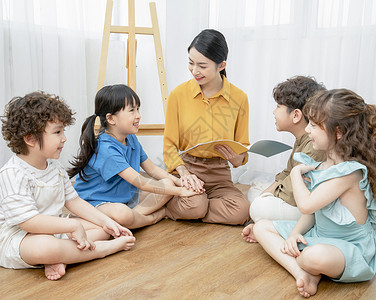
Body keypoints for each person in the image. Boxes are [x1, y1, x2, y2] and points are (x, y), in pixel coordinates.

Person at [248, 89, 376, 297]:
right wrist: (294, 234)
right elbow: (313, 213)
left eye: (314, 125)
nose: (307, 130)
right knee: (261, 226)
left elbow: (306, 205)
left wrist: (297, 173)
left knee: (314, 256)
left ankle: (307, 267)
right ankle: (302, 273)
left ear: (338, 132)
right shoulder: (323, 164)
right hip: (320, 235)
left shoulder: (349, 173)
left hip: (350, 248)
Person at [0, 92, 135, 281]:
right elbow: (28, 222)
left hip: (56, 226)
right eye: (57, 132)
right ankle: (101, 250)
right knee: (46, 247)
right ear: (30, 139)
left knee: (104, 228)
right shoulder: (13, 173)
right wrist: (71, 225)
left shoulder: (54, 167)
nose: (64, 138)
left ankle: (62, 257)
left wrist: (106, 222)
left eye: (63, 131)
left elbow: (74, 202)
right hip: (21, 236)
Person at [69, 84, 200, 229]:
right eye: (131, 110)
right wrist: (180, 191)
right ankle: (152, 218)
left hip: (125, 199)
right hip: (95, 204)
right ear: (111, 119)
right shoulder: (105, 148)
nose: (138, 115)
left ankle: (131, 219)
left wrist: (179, 182)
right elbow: (140, 182)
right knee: (122, 213)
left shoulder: (130, 138)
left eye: (138, 109)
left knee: (167, 183)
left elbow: (152, 170)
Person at [163, 29, 250, 225]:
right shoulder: (178, 95)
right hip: (187, 169)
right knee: (196, 204)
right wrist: (184, 173)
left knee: (242, 211)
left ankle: (194, 207)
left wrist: (238, 158)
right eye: (191, 63)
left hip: (219, 173)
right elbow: (169, 145)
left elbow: (242, 145)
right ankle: (183, 206)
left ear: (222, 65)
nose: (195, 71)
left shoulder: (239, 98)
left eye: (202, 65)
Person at [242, 76, 326, 241]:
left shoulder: (313, 145)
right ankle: (267, 222)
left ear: (296, 115)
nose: (274, 112)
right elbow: (286, 173)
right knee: (255, 194)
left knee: (258, 206)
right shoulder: (302, 139)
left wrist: (265, 199)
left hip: (304, 208)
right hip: (294, 199)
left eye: (278, 106)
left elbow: (292, 192)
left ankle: (273, 226)